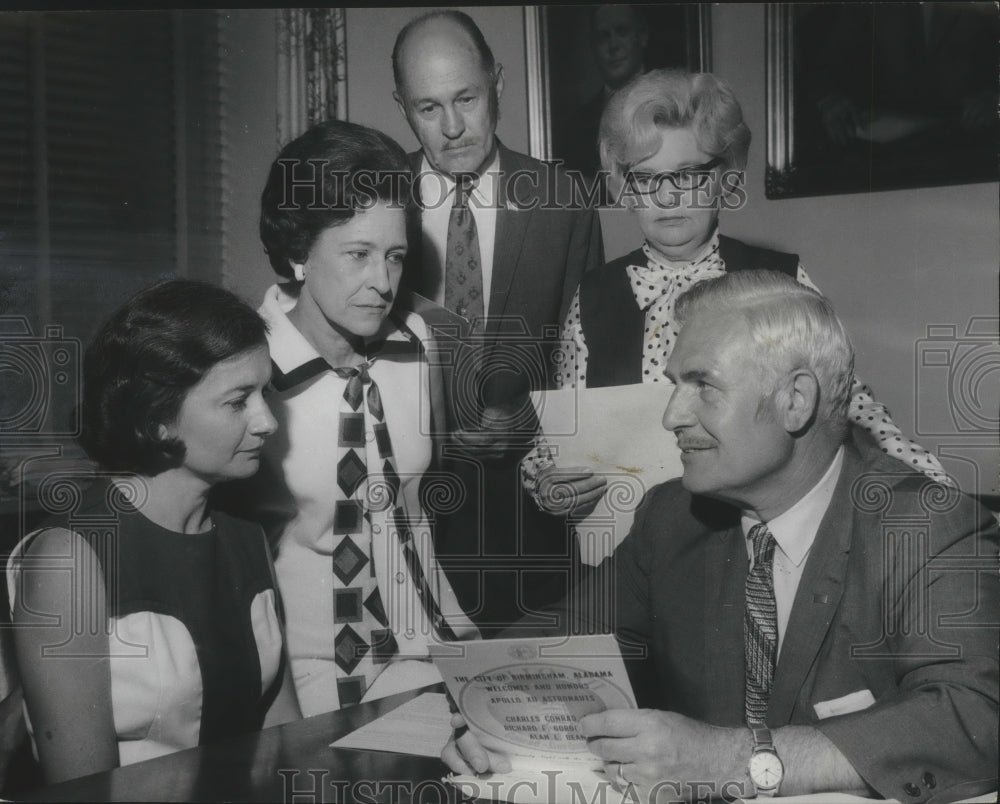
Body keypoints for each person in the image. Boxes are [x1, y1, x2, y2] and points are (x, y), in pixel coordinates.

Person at [444, 270, 999, 803]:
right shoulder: (671, 517)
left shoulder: (929, 525)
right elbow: (541, 649)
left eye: (702, 385)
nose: (670, 416)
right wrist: (486, 711)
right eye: (674, 386)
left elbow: (975, 717)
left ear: (795, 400)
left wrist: (729, 760)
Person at [522, 69, 950, 540]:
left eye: (687, 174)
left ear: (723, 176)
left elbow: (849, 404)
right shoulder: (595, 294)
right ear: (623, 185)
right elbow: (558, 437)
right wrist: (548, 484)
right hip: (629, 540)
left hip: (749, 536)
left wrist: (932, 488)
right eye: (645, 178)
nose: (667, 197)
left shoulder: (776, 277)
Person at [7, 280, 300, 785]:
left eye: (264, 393)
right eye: (238, 402)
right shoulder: (70, 559)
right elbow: (82, 792)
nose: (268, 422)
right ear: (159, 419)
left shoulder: (247, 539)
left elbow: (284, 750)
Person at [245, 119, 478, 717]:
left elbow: (423, 514)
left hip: (435, 652)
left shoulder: (418, 344)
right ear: (299, 252)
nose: (382, 282)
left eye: (395, 257)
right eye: (358, 254)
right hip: (306, 677)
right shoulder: (245, 369)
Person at [391, 10, 605, 633]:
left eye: (467, 98)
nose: (453, 128)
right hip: (407, 517)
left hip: (528, 522)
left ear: (498, 82)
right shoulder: (373, 200)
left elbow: (582, 363)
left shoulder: (563, 202)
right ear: (401, 106)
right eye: (428, 109)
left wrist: (532, 419)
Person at [562, 5, 648, 179]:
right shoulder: (577, 126)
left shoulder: (673, 103)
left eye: (622, 31)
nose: (613, 45)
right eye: (603, 37)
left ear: (642, 37)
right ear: (594, 48)